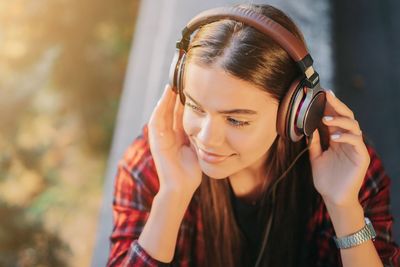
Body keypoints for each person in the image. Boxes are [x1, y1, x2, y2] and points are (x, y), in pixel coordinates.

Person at [107, 3, 399, 267]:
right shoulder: (152, 160)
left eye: (235, 120)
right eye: (195, 107)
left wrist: (344, 206)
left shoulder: (345, 164)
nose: (207, 138)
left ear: (296, 114)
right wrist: (172, 194)